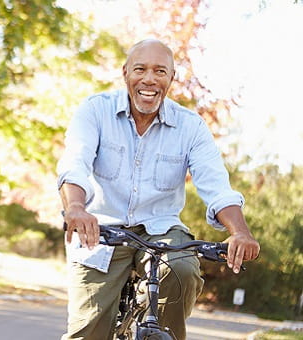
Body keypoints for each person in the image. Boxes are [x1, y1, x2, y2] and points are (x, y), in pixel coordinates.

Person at [56, 39, 260, 340]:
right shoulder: (95, 110)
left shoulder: (190, 126)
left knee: (183, 271)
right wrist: (75, 207)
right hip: (101, 231)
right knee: (88, 332)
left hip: (160, 230)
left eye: (160, 71)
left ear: (171, 78)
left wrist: (240, 231)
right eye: (140, 69)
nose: (149, 79)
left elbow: (217, 186)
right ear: (125, 73)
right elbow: (75, 162)